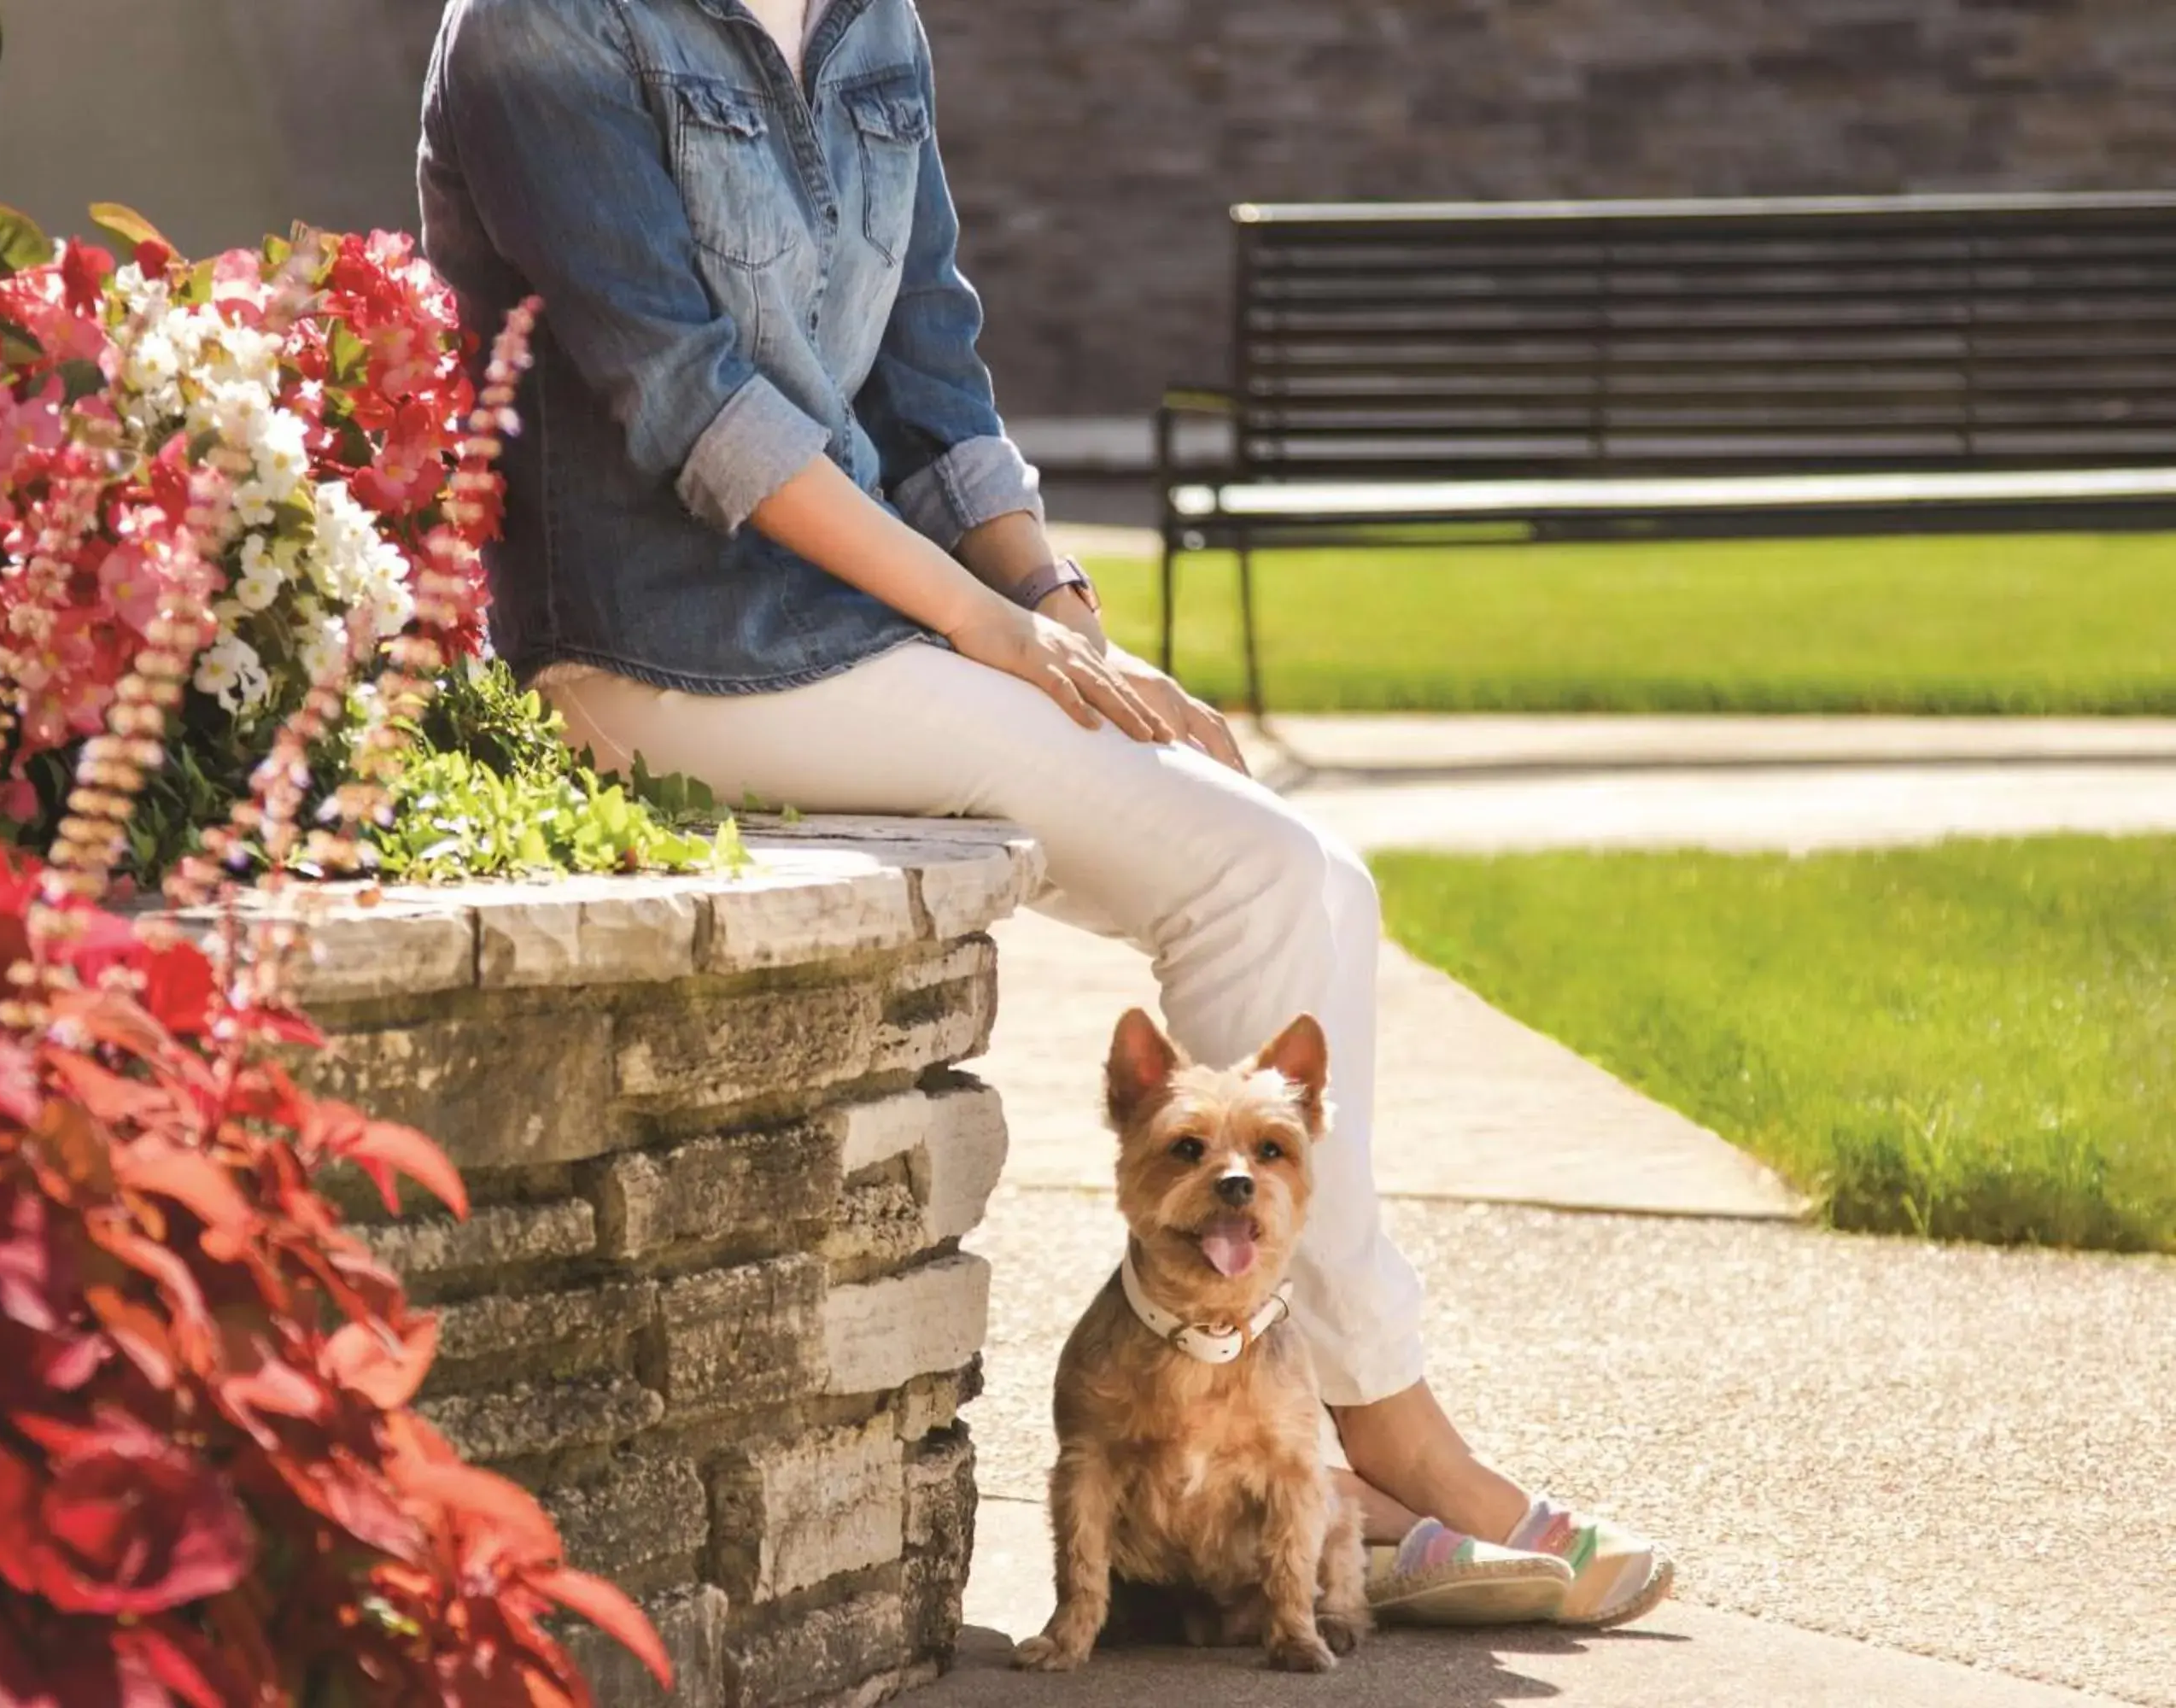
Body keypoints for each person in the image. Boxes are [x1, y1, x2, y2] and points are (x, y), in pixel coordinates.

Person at [417, 0, 1674, 1630]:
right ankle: (1385, 1446)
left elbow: (932, 368)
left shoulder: (871, 23)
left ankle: (1300, 1444)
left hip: (867, 629)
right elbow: (691, 401)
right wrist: (981, 632)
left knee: (1278, 861)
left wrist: (1062, 613)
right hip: (663, 652)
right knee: (1258, 872)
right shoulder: (543, 27)